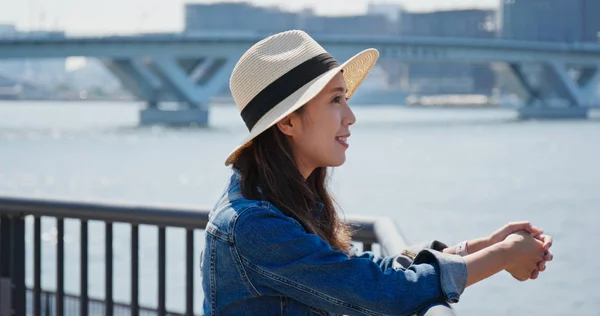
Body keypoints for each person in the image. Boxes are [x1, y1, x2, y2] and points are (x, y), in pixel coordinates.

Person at [200, 30, 554, 315]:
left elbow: (355, 275)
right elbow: (380, 294)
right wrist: (502, 256)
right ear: (289, 121)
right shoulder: (255, 225)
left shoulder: (279, 200)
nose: (350, 117)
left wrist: (477, 247)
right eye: (336, 100)